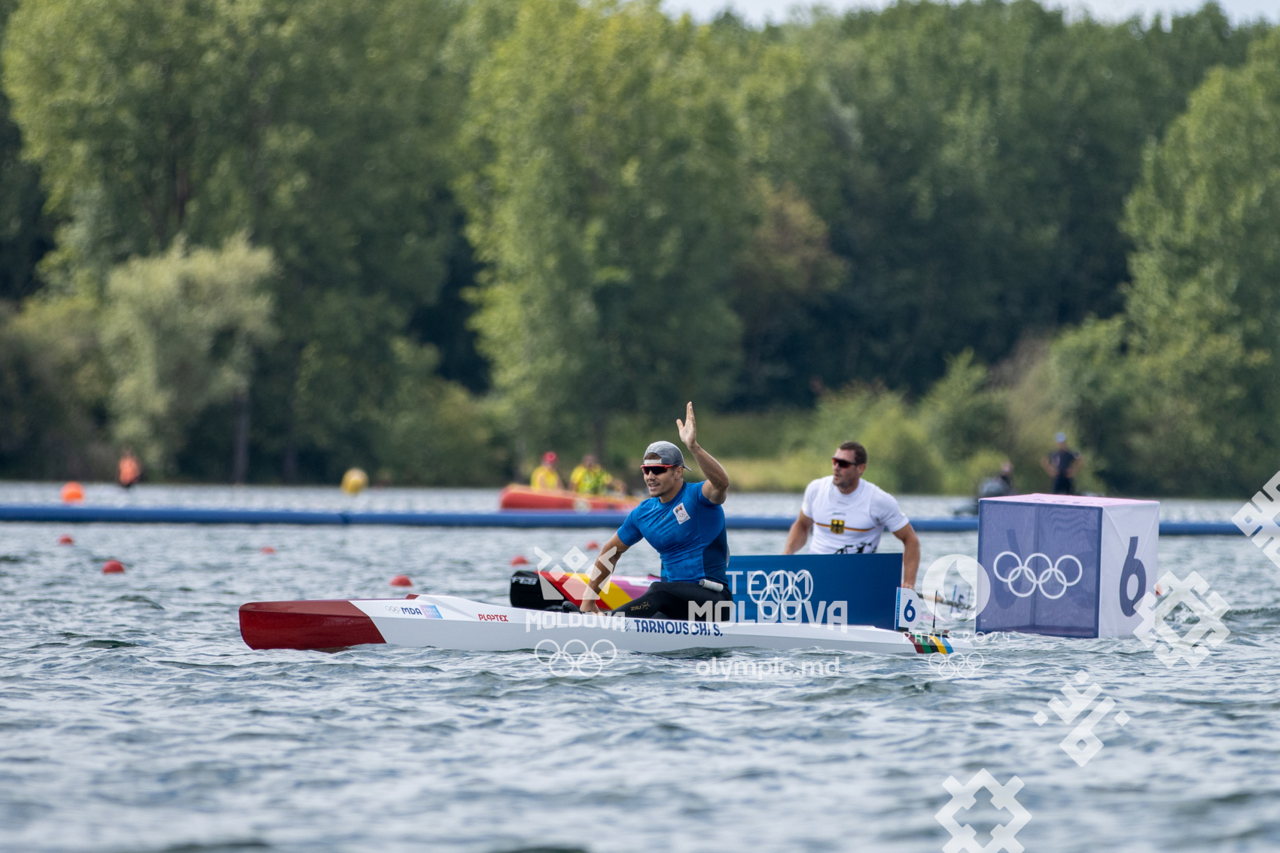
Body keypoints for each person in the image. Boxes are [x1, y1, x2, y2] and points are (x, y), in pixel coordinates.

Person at [581, 402, 732, 620]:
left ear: (678, 472)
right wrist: (588, 601)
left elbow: (721, 484)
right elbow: (610, 552)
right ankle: (592, 617)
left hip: (715, 604)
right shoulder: (642, 513)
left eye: (658, 470)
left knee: (658, 590)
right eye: (646, 470)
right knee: (653, 608)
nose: (650, 476)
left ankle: (607, 621)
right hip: (675, 606)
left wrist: (693, 447)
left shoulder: (699, 497)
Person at [782, 441, 921, 588]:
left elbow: (911, 540)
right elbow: (802, 525)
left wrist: (908, 583)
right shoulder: (816, 490)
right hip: (815, 574)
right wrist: (787, 553)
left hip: (855, 579)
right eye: (835, 462)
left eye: (843, 464)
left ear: (861, 468)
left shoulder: (879, 501)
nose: (836, 468)